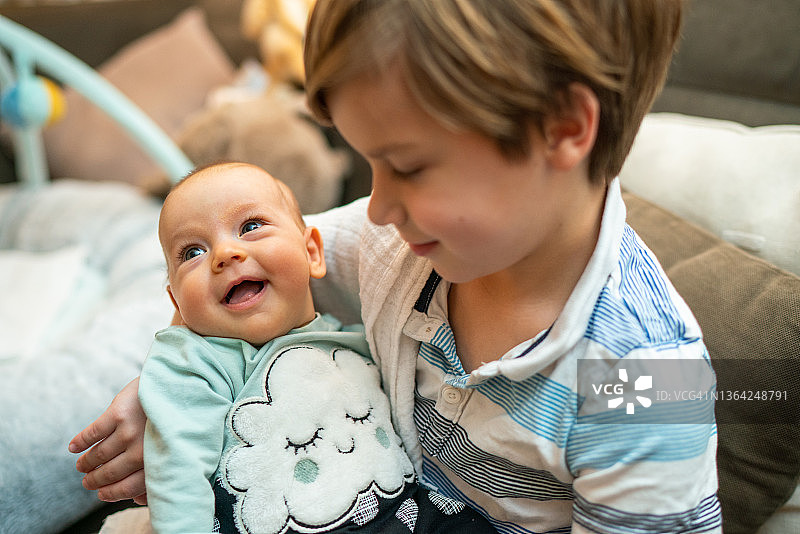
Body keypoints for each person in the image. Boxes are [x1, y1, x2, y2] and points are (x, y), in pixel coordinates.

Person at [71, 1, 722, 532]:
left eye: (407, 166)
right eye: (368, 163)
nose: (377, 206)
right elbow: (240, 275)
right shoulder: (397, 241)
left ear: (562, 127)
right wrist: (168, 380)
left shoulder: (648, 384)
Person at [131, 162, 496, 533]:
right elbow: (177, 471)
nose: (224, 253)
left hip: (407, 516)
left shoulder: (364, 337)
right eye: (192, 252)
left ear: (313, 254)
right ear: (177, 303)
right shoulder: (195, 359)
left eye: (251, 227)